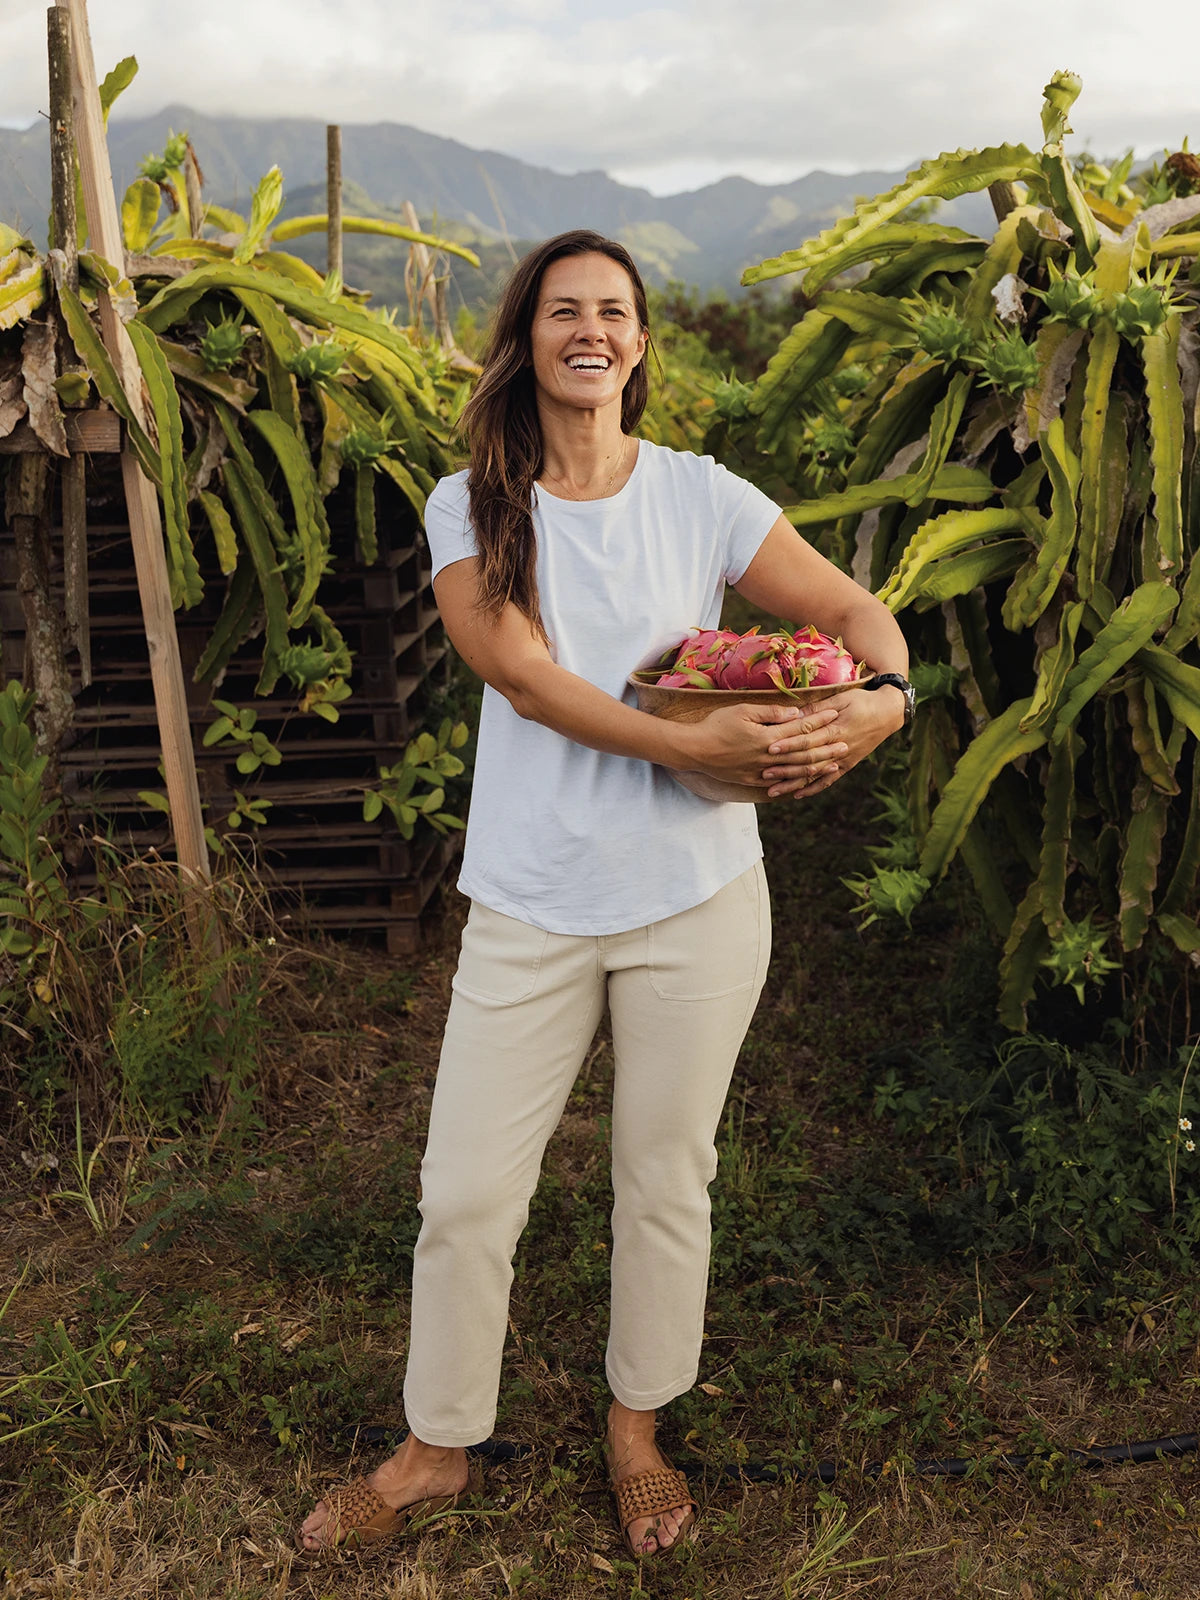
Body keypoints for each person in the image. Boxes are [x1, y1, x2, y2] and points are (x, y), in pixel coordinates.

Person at [298, 229, 910, 1559]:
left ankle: (638, 1431)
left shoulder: (702, 495)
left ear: (640, 343)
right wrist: (690, 746)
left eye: (614, 312)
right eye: (563, 310)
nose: (591, 331)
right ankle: (434, 1447)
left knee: (665, 1177)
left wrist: (881, 703)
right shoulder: (471, 504)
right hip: (531, 900)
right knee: (466, 1191)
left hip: (697, 897)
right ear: (526, 338)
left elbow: (860, 616)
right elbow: (524, 676)